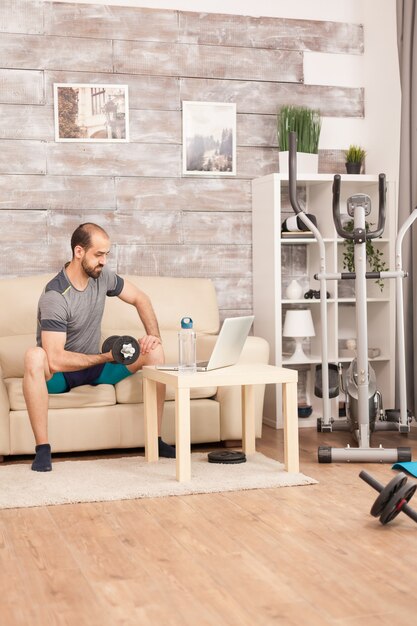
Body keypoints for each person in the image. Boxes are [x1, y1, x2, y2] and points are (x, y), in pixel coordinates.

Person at [23, 222, 175, 472]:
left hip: (97, 368)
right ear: (79, 252)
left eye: (106, 254)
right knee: (34, 356)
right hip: (61, 377)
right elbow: (55, 360)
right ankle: (43, 449)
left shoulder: (102, 277)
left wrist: (154, 336)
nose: (104, 261)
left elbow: (141, 298)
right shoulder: (56, 295)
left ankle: (155, 440)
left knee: (154, 351)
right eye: (98, 254)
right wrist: (105, 356)